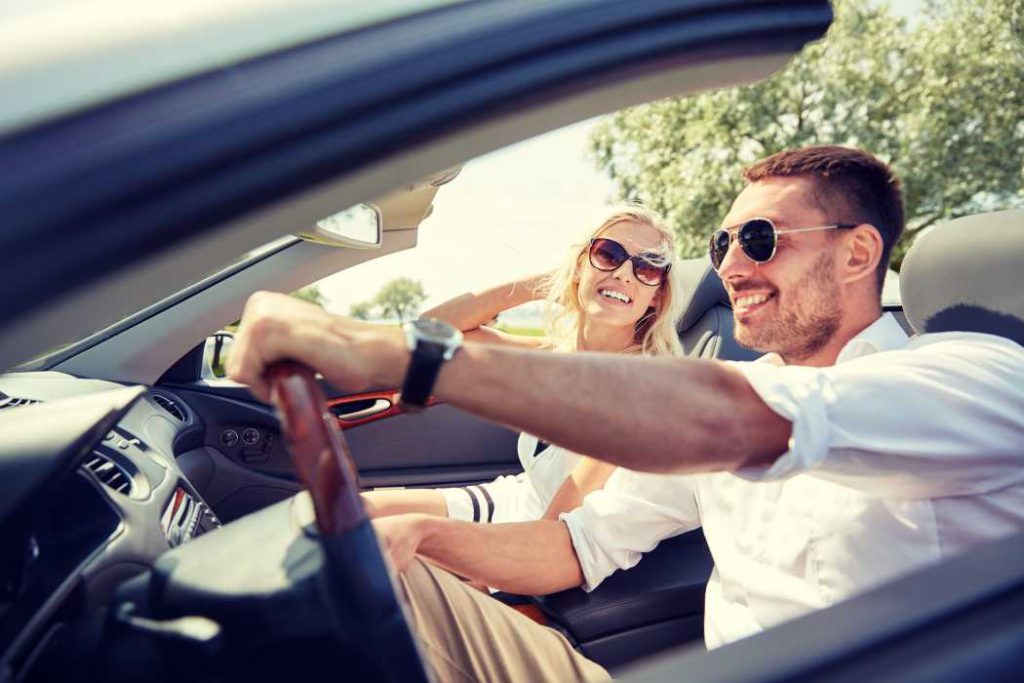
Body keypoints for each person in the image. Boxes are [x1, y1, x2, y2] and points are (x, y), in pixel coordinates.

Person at [227, 146, 1024, 682]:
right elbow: (579, 541)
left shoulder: (971, 378)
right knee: (359, 575)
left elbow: (741, 419)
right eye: (721, 245)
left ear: (858, 254)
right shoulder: (740, 391)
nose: (731, 267)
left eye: (759, 239)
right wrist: (426, 537)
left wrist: (403, 353)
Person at [360, 206, 687, 526]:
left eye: (647, 267)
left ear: (657, 296)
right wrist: (544, 283)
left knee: (375, 543)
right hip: (512, 501)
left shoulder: (636, 390)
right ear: (579, 266)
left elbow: (549, 535)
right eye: (608, 255)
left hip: (534, 542)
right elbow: (430, 330)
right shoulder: (556, 356)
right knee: (353, 512)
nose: (623, 274)